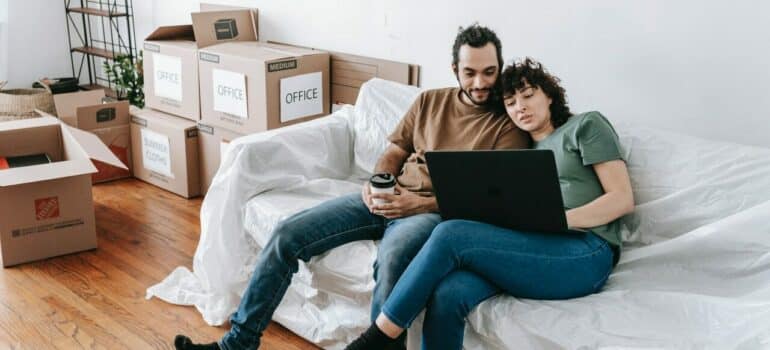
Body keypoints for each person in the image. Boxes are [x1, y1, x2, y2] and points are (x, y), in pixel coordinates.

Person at [174, 24, 529, 350]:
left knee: (392, 260)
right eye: (470, 72)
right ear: (455, 70)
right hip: (384, 198)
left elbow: (489, 199)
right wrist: (379, 182)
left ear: (500, 68)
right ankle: (238, 343)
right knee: (287, 234)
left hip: (428, 214)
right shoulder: (429, 101)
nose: (480, 82)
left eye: (489, 72)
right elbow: (395, 150)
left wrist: (415, 206)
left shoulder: (508, 124)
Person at [344, 57, 635, 350]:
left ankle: (375, 340)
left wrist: (560, 219)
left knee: (451, 233)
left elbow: (622, 199)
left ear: (549, 95)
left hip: (586, 251)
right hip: (530, 245)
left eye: (528, 95)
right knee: (448, 292)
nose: (519, 106)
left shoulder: (586, 125)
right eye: (510, 102)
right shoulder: (518, 153)